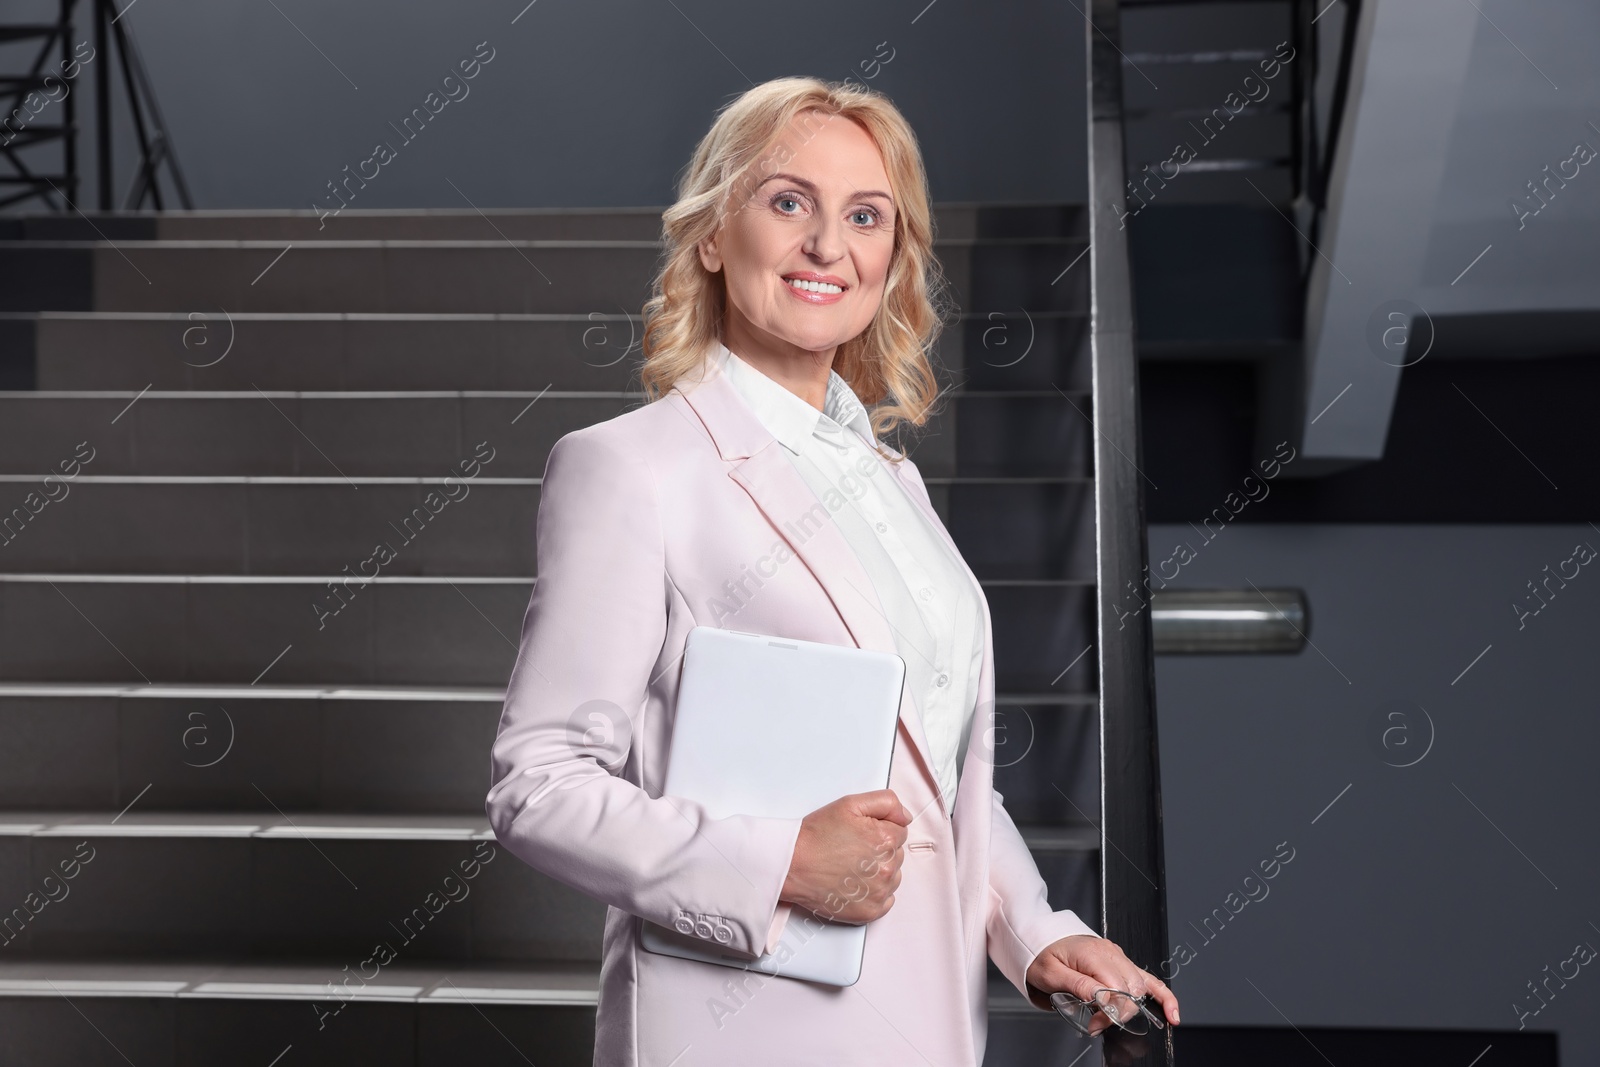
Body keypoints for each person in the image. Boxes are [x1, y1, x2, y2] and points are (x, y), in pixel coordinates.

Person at [486, 75, 1179, 1066]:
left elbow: (934, 772)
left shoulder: (891, 481)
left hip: (923, 1023)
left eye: (866, 215)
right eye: (786, 202)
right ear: (714, 236)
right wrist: (778, 862)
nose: (827, 246)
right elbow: (537, 786)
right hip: (744, 1026)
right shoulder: (631, 467)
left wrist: (1033, 930)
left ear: (892, 257)